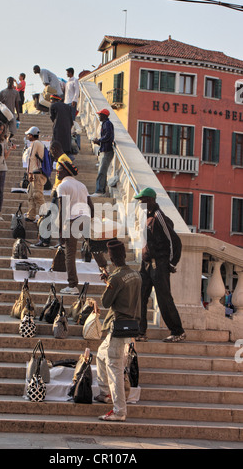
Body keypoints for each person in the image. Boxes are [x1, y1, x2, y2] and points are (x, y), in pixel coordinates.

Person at [95, 240, 142, 421]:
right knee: (101, 354)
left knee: (114, 367)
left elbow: (106, 302)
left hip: (118, 326)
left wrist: (108, 283)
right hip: (130, 325)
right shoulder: (136, 275)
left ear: (112, 258)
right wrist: (110, 280)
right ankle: (105, 392)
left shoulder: (116, 278)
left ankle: (119, 411)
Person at [134, 187, 186, 343]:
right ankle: (140, 332)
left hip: (159, 264)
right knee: (140, 297)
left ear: (150, 200)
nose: (140, 203)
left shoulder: (158, 217)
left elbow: (175, 241)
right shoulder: (147, 217)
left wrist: (170, 262)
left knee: (164, 299)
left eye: (142, 200)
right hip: (147, 264)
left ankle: (178, 331)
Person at [56, 160, 108, 295]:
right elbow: (91, 206)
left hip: (72, 221)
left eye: (60, 169)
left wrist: (61, 230)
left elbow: (63, 209)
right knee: (95, 248)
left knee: (70, 254)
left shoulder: (62, 186)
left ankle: (72, 285)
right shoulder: (82, 185)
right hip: (85, 218)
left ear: (66, 171)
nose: (57, 171)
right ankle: (107, 274)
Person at [32, 140, 72, 248]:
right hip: (61, 192)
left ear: (54, 149)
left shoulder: (62, 160)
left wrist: (56, 189)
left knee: (50, 217)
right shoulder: (64, 159)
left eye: (51, 152)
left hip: (60, 192)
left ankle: (47, 240)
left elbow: (62, 177)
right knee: (52, 217)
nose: (52, 155)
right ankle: (51, 240)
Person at [91, 109, 114, 197]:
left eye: (100, 115)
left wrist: (99, 140)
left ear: (104, 115)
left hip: (107, 151)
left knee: (102, 172)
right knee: (102, 171)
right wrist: (99, 142)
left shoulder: (107, 124)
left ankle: (99, 191)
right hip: (105, 150)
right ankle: (101, 190)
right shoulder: (105, 123)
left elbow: (108, 136)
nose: (99, 116)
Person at [25, 126, 47, 222]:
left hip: (36, 173)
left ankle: (45, 214)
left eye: (29, 134)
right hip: (37, 172)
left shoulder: (36, 143)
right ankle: (31, 215)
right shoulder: (39, 143)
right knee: (31, 195)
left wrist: (29, 173)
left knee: (37, 195)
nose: (28, 136)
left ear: (32, 135)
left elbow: (31, 158)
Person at [0, 77, 20, 142]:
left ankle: (9, 138)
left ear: (13, 82)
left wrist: (18, 115)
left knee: (13, 130)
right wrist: (2, 101)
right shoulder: (2, 92)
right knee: (3, 129)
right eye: (8, 82)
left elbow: (17, 104)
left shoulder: (16, 92)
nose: (10, 83)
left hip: (12, 113)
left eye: (11, 82)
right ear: (7, 82)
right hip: (4, 114)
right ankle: (4, 140)